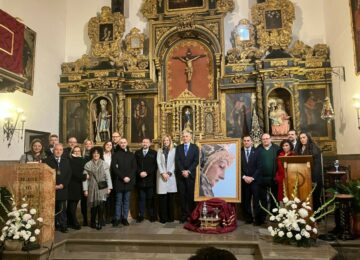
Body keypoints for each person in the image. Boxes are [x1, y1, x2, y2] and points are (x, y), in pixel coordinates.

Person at [83, 147, 113, 230]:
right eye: (94, 153)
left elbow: (108, 177)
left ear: (100, 154)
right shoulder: (88, 164)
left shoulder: (104, 164)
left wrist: (109, 188)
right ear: (92, 154)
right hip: (92, 187)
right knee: (93, 206)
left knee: (101, 206)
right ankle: (93, 222)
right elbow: (84, 179)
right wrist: (85, 190)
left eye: (97, 153)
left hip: (102, 186)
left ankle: (100, 222)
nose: (96, 154)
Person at [44, 143, 72, 233]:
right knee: (52, 208)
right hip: (51, 188)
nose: (58, 151)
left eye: (60, 150)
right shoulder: (47, 161)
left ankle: (63, 225)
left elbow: (69, 174)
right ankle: (54, 225)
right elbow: (45, 175)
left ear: (62, 151)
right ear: (53, 150)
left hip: (63, 188)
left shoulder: (66, 161)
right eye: (56, 149)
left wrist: (63, 185)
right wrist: (53, 185)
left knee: (62, 209)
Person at [111, 138, 137, 226]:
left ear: (127, 143)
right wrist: (123, 177)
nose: (123, 144)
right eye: (121, 143)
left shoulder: (131, 155)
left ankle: (124, 218)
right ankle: (117, 219)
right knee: (118, 201)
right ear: (119, 144)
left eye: (124, 142)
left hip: (129, 181)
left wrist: (129, 177)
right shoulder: (115, 155)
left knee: (126, 201)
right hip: (119, 181)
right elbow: (114, 168)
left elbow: (134, 168)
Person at [175, 130, 199, 223]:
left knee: (190, 196)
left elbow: (196, 161)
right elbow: (177, 161)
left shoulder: (195, 148)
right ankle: (183, 216)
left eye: (186, 136)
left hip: (190, 176)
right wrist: (182, 171)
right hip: (181, 176)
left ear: (190, 137)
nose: (185, 138)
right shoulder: (178, 148)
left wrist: (188, 171)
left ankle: (192, 216)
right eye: (183, 136)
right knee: (182, 196)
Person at [295, 132, 323, 212]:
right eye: (300, 138)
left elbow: (317, 166)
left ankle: (317, 217)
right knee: (304, 197)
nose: (302, 139)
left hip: (313, 177)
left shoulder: (314, 148)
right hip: (303, 177)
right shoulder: (299, 148)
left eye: (304, 137)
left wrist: (314, 179)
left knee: (315, 197)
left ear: (308, 138)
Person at [256, 133, 280, 225]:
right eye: (263, 139)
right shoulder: (258, 149)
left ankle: (274, 216)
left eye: (267, 138)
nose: (265, 140)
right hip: (261, 178)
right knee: (262, 199)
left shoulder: (277, 149)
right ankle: (262, 217)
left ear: (270, 139)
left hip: (274, 178)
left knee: (274, 198)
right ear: (261, 140)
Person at [135, 138, 158, 222]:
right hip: (140, 179)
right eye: (143, 142)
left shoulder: (154, 153)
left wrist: (147, 173)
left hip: (150, 179)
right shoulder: (137, 153)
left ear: (150, 144)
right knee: (141, 198)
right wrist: (140, 172)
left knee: (150, 198)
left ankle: (151, 215)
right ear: (142, 143)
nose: (145, 143)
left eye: (146, 142)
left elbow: (155, 166)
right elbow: (135, 165)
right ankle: (141, 215)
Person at [241, 135, 262, 224]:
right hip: (244, 181)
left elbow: (260, 167)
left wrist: (252, 177)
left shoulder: (257, 152)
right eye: (245, 140)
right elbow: (237, 167)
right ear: (243, 142)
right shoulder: (239, 153)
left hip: (255, 181)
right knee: (246, 200)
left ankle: (257, 219)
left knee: (256, 200)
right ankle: (248, 219)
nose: (246, 142)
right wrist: (244, 177)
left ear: (251, 142)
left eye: (248, 140)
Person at [156, 135, 177, 224]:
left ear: (170, 141)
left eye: (167, 140)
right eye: (164, 140)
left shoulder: (174, 150)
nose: (165, 142)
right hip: (161, 176)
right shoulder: (159, 151)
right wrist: (162, 173)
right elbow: (159, 162)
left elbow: (175, 163)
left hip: (170, 176)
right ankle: (163, 218)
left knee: (170, 198)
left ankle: (170, 218)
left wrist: (168, 173)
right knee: (162, 198)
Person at [67, 145, 86, 230]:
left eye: (78, 151)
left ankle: (70, 222)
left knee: (74, 203)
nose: (77, 152)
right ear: (72, 152)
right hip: (73, 184)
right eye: (75, 151)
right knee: (72, 204)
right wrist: (84, 177)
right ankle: (74, 222)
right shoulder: (70, 160)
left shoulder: (83, 160)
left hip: (80, 185)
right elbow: (73, 172)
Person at [103, 140, 114, 224]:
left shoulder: (114, 156)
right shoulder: (101, 155)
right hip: (103, 180)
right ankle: (103, 217)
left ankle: (110, 217)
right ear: (104, 145)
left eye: (110, 145)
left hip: (112, 179)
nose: (108, 146)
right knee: (104, 198)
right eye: (107, 144)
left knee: (111, 198)